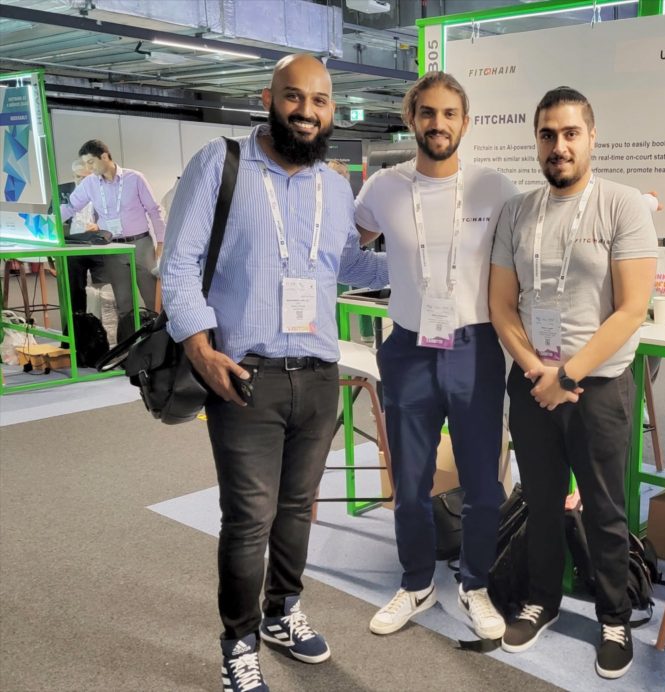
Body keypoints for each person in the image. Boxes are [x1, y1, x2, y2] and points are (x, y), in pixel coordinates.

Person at [160, 53, 388, 692]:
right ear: (268, 98)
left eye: (320, 101)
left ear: (332, 111)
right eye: (294, 97)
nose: (306, 111)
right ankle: (238, 643)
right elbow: (177, 265)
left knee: (295, 508)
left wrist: (420, 263)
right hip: (243, 374)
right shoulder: (221, 163)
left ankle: (283, 611)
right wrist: (200, 350)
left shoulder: (335, 187)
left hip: (318, 373)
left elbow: (345, 266)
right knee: (249, 518)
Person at [489, 86, 658, 679]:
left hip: (596, 388)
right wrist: (538, 372)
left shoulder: (622, 205)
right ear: (536, 141)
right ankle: (542, 600)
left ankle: (613, 616)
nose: (558, 146)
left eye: (569, 133)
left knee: (606, 510)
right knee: (538, 501)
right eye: (547, 135)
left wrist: (567, 374)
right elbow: (501, 305)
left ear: (591, 137)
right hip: (533, 383)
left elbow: (631, 310)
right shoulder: (518, 211)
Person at [354, 72, 517, 641]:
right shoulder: (383, 188)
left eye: (449, 114)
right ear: (411, 119)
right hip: (408, 347)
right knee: (410, 480)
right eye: (428, 112)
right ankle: (417, 582)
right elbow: (346, 242)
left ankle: (475, 585)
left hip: (475, 347)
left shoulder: (495, 188)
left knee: (482, 483)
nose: (438, 123)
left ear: (465, 122)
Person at [61, 139, 165, 311]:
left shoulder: (135, 178)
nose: (88, 168)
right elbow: (71, 206)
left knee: (153, 299)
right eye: (85, 163)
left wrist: (161, 242)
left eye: (91, 162)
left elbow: (154, 210)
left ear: (104, 156)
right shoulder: (90, 183)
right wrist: (49, 223)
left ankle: (158, 329)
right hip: (113, 247)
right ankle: (129, 330)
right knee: (123, 303)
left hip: (140, 244)